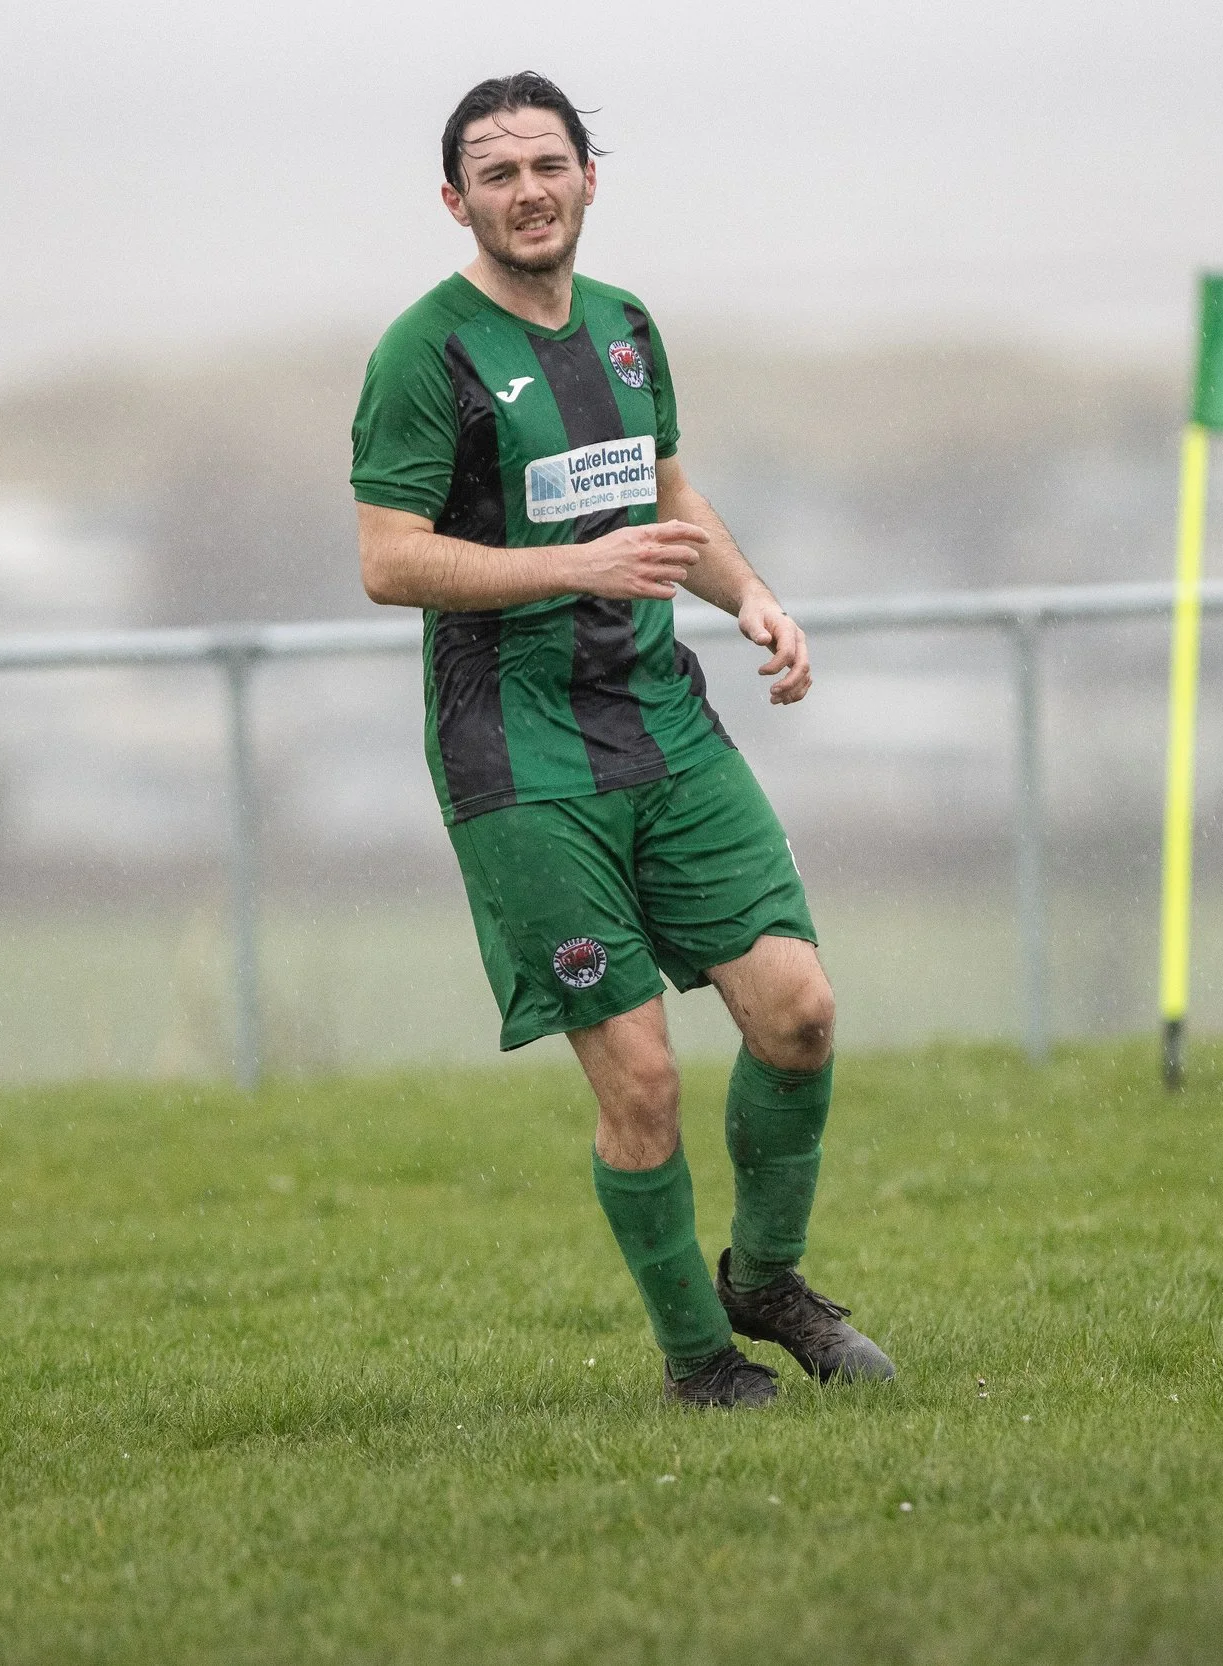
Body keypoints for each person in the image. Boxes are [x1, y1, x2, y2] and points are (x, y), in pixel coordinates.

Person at [350, 73, 894, 1408]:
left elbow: (666, 499)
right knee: (641, 1080)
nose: (527, 190)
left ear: (591, 176)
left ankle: (766, 1280)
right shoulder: (424, 354)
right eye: (497, 172)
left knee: (801, 1013)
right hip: (519, 756)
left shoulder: (629, 327)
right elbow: (387, 560)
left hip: (662, 721)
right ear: (454, 199)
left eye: (549, 163)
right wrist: (567, 565)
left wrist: (754, 596)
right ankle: (699, 1361)